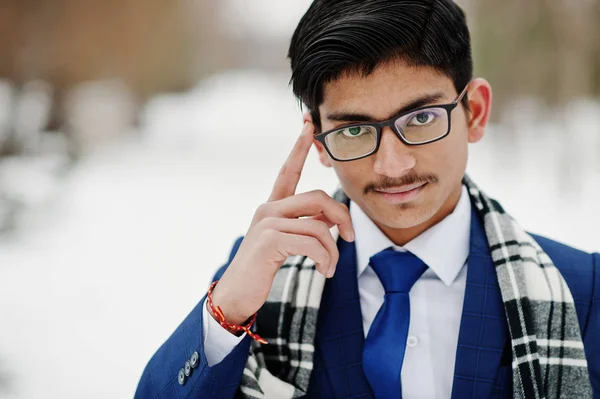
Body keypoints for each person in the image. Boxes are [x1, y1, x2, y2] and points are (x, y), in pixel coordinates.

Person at [135, 1, 600, 398]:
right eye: (355, 130)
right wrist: (226, 314)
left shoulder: (582, 290)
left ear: (473, 112)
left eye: (420, 118)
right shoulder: (258, 279)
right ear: (318, 140)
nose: (392, 165)